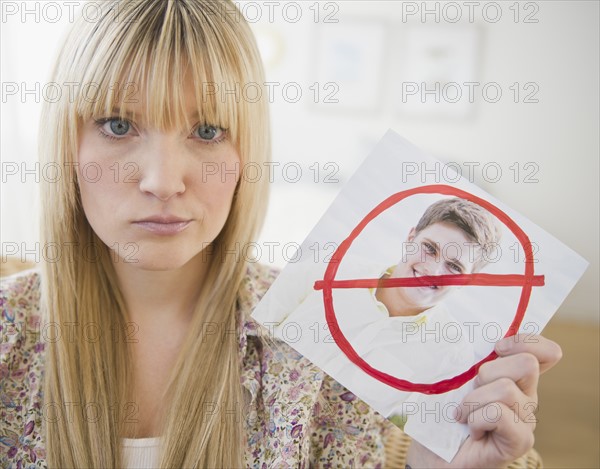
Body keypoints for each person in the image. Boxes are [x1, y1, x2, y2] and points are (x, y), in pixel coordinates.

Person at [0, 1, 561, 468]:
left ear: (247, 151)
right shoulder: (10, 336)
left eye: (208, 130)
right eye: (118, 125)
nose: (163, 181)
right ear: (66, 146)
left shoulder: (315, 337)